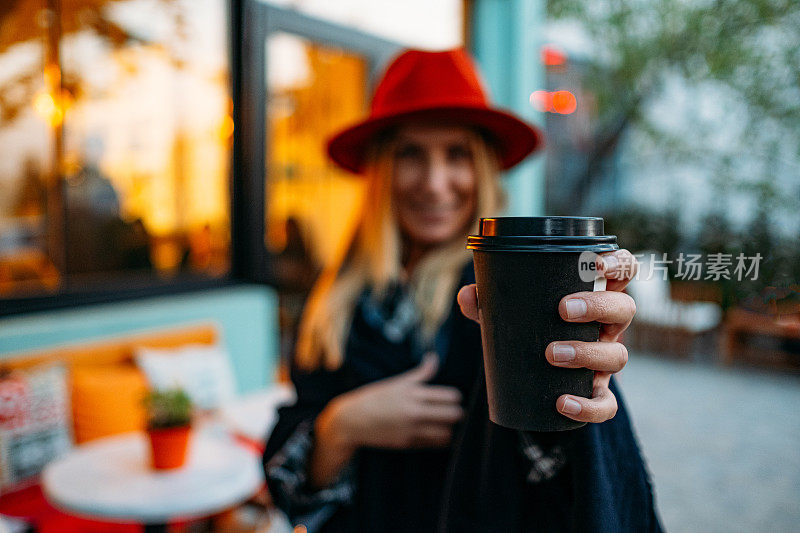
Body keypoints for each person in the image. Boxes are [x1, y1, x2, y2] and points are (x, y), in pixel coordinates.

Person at [263, 48, 662, 532]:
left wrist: (576, 397)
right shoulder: (333, 299)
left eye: (457, 155)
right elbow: (290, 486)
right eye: (411, 154)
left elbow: (560, 480)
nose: (435, 184)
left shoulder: (511, 293)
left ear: (484, 170)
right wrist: (340, 426)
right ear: (381, 171)